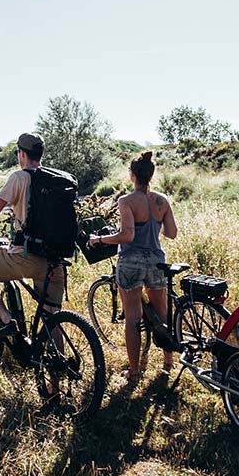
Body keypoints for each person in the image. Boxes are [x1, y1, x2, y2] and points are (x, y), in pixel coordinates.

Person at [0, 132, 67, 344]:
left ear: (22, 154)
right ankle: (58, 369)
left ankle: (8, 320)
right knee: (51, 317)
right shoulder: (56, 180)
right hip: (55, 260)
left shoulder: (20, 178)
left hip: (25, 257)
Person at [88, 151, 178, 378]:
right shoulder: (162, 200)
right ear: (151, 175)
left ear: (132, 176)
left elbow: (126, 235)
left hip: (131, 262)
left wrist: (99, 240)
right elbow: (172, 233)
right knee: (162, 312)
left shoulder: (126, 201)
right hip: (157, 260)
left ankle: (135, 370)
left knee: (133, 317)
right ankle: (168, 362)